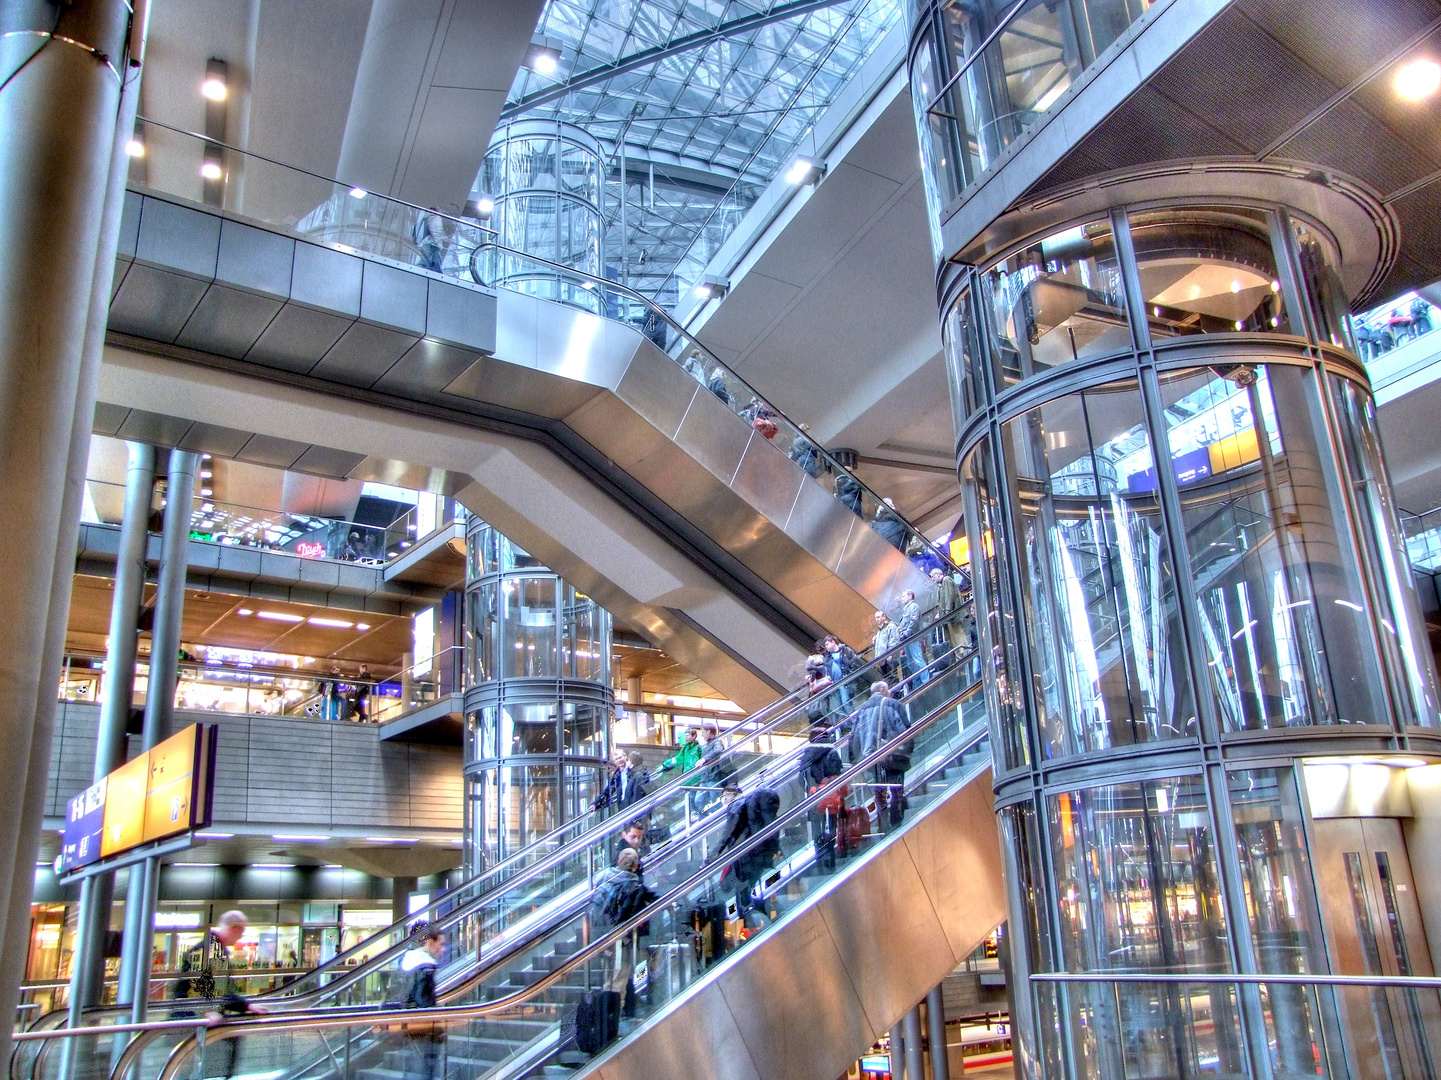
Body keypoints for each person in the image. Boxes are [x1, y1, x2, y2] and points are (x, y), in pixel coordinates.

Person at [589, 847, 657, 1029]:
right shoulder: (632, 884)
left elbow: (596, 911)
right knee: (619, 978)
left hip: (603, 936)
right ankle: (613, 1025)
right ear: (635, 865)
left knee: (609, 981)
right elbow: (641, 901)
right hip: (620, 938)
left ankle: (605, 1022)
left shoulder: (604, 879)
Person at [710, 782, 782, 921]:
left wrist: (712, 857)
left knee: (742, 895)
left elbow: (727, 834)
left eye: (726, 796)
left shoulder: (736, 807)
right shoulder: (751, 805)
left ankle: (753, 923)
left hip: (744, 857)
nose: (723, 799)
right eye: (722, 796)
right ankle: (767, 913)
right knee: (746, 893)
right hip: (758, 853)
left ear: (735, 795)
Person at [848, 682, 912, 831]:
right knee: (897, 789)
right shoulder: (894, 705)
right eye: (888, 690)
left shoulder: (861, 710)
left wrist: (853, 760)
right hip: (894, 755)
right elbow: (906, 729)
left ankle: (883, 824)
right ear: (883, 690)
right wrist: (908, 751)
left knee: (879, 790)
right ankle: (897, 822)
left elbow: (854, 736)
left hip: (872, 758)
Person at [396, 925, 445, 1080]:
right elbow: (425, 1004)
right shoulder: (426, 969)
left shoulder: (406, 963)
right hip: (425, 1033)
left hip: (409, 1028)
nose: (443, 949)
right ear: (429, 942)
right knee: (426, 1070)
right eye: (440, 944)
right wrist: (438, 1030)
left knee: (411, 1069)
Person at [799, 726, 845, 873]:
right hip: (830, 796)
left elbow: (802, 779)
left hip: (815, 797)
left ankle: (820, 859)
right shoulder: (831, 751)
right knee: (831, 827)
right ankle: (830, 860)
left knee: (817, 830)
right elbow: (838, 772)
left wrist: (812, 788)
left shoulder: (806, 755)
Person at [895, 589, 929, 687]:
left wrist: (906, 633)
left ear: (910, 596)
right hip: (907, 639)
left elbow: (914, 621)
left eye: (904, 596)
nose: (902, 599)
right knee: (910, 662)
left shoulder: (914, 606)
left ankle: (925, 680)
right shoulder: (906, 608)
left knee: (918, 659)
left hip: (913, 638)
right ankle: (917, 680)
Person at [930, 567, 965, 658]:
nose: (932, 579)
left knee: (958, 639)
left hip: (954, 617)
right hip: (950, 617)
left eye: (932, 576)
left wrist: (947, 613)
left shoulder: (946, 580)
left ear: (938, 574)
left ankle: (963, 656)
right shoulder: (941, 585)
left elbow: (949, 598)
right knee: (954, 641)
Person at [414, 207, 448, 271]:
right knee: (435, 265)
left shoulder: (424, 218)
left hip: (425, 244)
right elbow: (436, 231)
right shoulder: (435, 218)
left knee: (425, 261)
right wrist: (439, 244)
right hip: (432, 245)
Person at [871, 611, 900, 681]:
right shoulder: (880, 629)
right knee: (887, 678)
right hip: (882, 659)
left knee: (892, 677)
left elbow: (894, 641)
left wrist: (890, 654)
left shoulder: (891, 627)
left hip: (889, 658)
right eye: (876, 618)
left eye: (878, 617)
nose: (877, 619)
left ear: (884, 616)